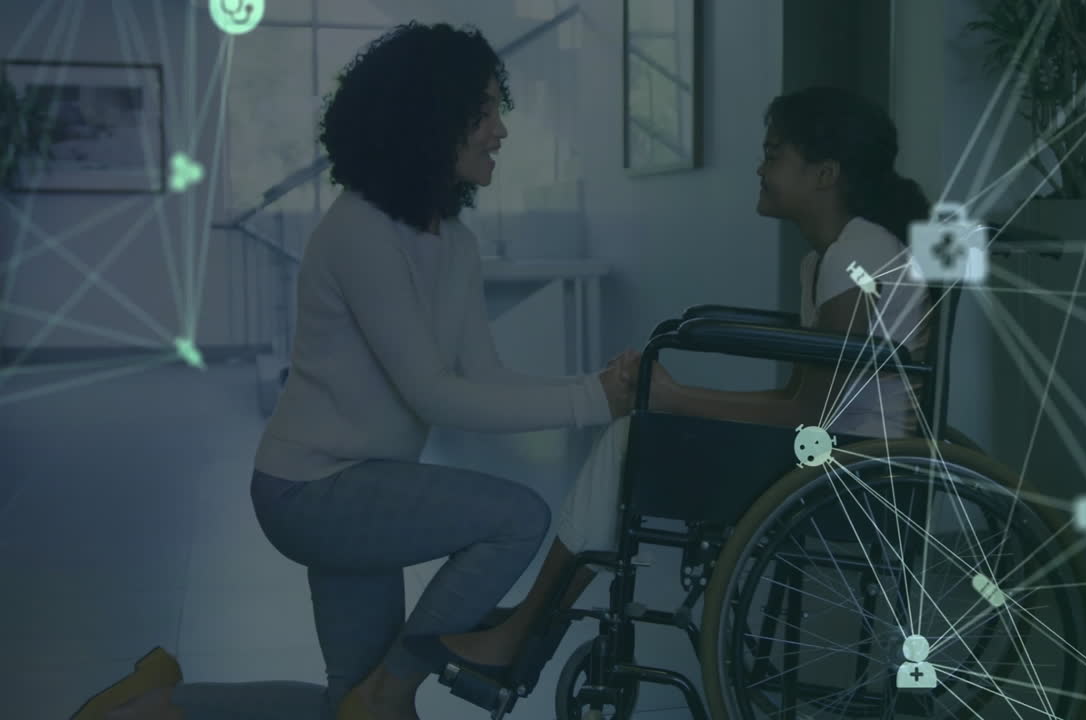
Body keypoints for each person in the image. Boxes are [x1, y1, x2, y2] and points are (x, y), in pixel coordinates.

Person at [72, 21, 637, 720]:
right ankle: (398, 681)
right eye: (486, 110)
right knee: (516, 518)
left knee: (354, 706)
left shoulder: (451, 242)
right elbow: (433, 393)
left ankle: (153, 708)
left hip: (364, 486)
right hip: (313, 491)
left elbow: (483, 375)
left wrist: (600, 392)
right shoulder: (359, 231)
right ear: (431, 118)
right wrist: (589, 400)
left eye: (500, 109)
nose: (501, 129)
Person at [454, 85, 937, 669]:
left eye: (774, 154)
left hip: (854, 474)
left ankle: (527, 626)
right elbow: (796, 399)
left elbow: (810, 415)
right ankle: (533, 619)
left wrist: (677, 398)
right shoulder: (831, 256)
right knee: (641, 430)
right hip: (837, 456)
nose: (759, 168)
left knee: (634, 438)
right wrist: (677, 400)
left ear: (824, 173)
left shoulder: (854, 257)